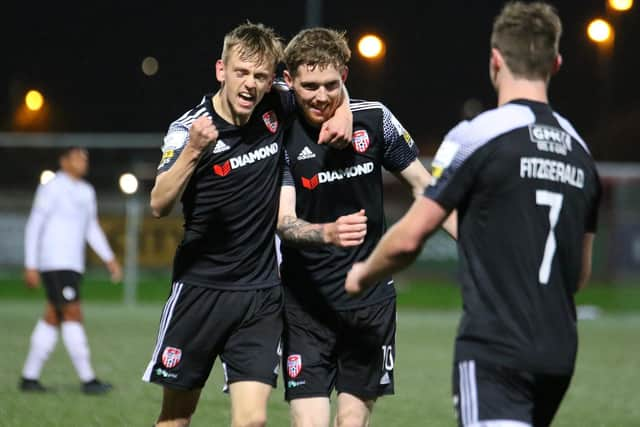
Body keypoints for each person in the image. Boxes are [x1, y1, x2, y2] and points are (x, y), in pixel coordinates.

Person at [345, 2, 602, 426]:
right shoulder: (581, 152)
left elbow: (410, 238)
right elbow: (578, 275)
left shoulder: (477, 135)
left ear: (495, 61)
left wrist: (362, 273)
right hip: (559, 351)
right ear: (556, 63)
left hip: (496, 348)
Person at [142, 22, 352, 427]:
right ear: (222, 70)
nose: (250, 85)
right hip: (200, 291)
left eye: (261, 76)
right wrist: (193, 153)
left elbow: (322, 91)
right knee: (176, 417)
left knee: (253, 421)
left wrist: (342, 111)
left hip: (259, 295)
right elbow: (158, 203)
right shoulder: (190, 128)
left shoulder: (276, 105)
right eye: (242, 72)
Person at [276, 28, 456, 427]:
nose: (320, 96)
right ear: (288, 80)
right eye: (309, 87)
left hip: (370, 304)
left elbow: (427, 188)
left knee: (352, 422)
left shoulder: (375, 119)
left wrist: (478, 246)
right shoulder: (278, 129)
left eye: (330, 85)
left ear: (344, 73)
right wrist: (327, 232)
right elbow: (285, 223)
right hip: (306, 305)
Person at [20, 146, 122, 395]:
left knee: (53, 317)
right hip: (54, 263)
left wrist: (109, 259)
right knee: (73, 313)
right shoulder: (52, 187)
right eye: (77, 157)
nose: (82, 161)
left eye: (85, 157)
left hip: (73, 265)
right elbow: (35, 224)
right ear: (63, 161)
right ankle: (88, 380)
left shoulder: (87, 191)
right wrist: (31, 263)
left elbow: (91, 229)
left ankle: (29, 378)